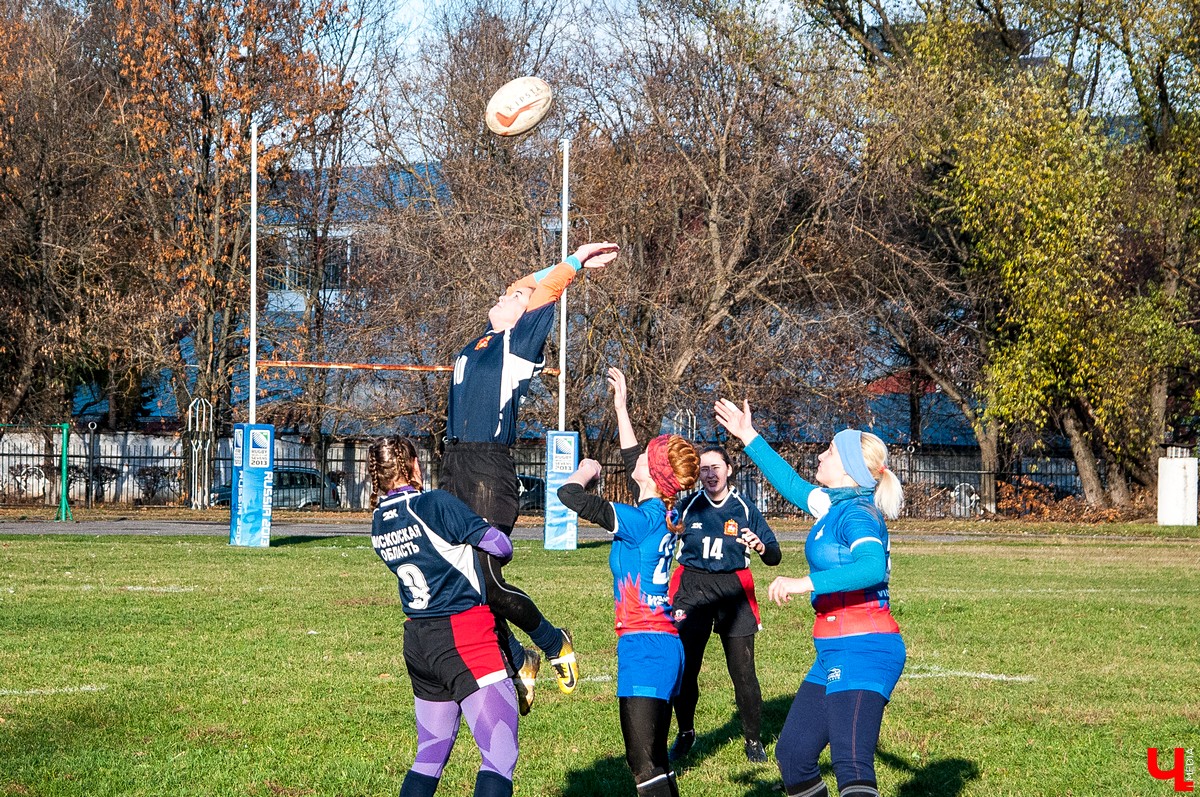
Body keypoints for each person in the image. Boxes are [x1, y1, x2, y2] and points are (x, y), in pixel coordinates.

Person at [442, 241, 619, 712]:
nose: (509, 294)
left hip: (486, 474)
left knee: (489, 583)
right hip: (454, 470)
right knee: (465, 586)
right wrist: (545, 277)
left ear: (527, 315)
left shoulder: (518, 345)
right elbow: (526, 287)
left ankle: (552, 640)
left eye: (519, 298)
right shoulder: (484, 338)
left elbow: (540, 294)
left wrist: (577, 261)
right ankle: (519, 660)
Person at [714, 399, 905, 797]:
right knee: (794, 757)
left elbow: (871, 568)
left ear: (850, 469)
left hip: (865, 647)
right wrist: (748, 435)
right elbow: (790, 483)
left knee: (851, 763)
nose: (821, 454)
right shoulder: (833, 505)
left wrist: (804, 583)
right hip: (833, 650)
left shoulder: (857, 515)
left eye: (830, 451)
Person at [556, 367, 699, 797]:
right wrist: (620, 407)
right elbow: (637, 456)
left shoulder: (638, 521)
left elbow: (570, 497)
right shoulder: (664, 511)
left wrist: (585, 470)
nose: (636, 460)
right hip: (663, 642)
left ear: (652, 476)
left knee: (643, 768)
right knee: (657, 761)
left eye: (645, 459)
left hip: (645, 645)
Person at [366, 435, 520, 797]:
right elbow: (501, 545)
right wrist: (477, 523)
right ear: (414, 465)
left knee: (429, 757)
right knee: (500, 756)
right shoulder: (433, 503)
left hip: (419, 640)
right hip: (464, 633)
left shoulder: (378, 521)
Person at [667, 444, 782, 765]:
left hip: (733, 589)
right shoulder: (687, 506)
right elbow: (660, 535)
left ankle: (753, 739)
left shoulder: (744, 509)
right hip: (692, 588)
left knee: (743, 671)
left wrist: (761, 546)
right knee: (685, 669)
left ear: (729, 469)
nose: (710, 473)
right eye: (703, 468)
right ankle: (686, 733)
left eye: (716, 467)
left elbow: (774, 555)